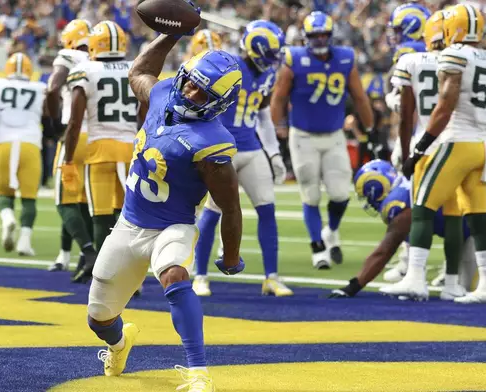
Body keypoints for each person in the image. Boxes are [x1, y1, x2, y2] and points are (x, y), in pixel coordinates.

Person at [74, 25, 245, 390]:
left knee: (173, 274)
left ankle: (198, 373)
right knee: (98, 318)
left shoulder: (212, 143)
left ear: (219, 102)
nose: (191, 92)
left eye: (203, 92)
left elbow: (230, 207)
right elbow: (138, 72)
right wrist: (173, 34)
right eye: (190, 82)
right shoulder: (165, 92)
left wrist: (231, 257)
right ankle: (120, 343)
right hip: (128, 224)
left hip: (173, 226)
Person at [382, 4, 486, 304]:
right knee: (476, 218)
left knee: (422, 208)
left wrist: (419, 148)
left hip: (456, 142)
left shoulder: (453, 55)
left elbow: (445, 105)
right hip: (483, 145)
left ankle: (415, 278)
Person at [193, 20, 292, 297]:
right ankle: (200, 275)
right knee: (212, 213)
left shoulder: (267, 74)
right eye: (271, 53)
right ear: (256, 49)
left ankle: (271, 277)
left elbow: (262, 114)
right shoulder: (229, 66)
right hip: (223, 149)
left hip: (250, 148)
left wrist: (272, 151)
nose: (274, 60)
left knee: (267, 208)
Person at [271, 11, 374, 269]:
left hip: (334, 134)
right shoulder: (294, 59)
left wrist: (370, 126)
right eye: (314, 36)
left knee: (340, 194)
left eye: (323, 35)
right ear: (306, 37)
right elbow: (279, 97)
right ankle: (317, 246)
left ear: (331, 36)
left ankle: (331, 231)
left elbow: (360, 96)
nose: (318, 40)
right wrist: (279, 125)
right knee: (311, 194)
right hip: (303, 135)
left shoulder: (345, 58)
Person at [329, 160, 486, 300]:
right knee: (466, 282)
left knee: (477, 284)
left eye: (366, 195)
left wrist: (354, 286)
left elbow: (385, 250)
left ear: (376, 188)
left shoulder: (398, 202)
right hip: (472, 224)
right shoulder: (405, 189)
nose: (368, 202)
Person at [383, 10, 468, 298]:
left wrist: (408, 152)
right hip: (458, 141)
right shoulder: (466, 59)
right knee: (456, 214)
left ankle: (414, 275)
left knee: (419, 212)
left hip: (426, 143)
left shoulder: (411, 60)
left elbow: (406, 116)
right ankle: (453, 282)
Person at [61, 20, 139, 283]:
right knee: (128, 214)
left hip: (100, 149)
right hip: (131, 148)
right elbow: (146, 110)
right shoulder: (135, 68)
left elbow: (74, 122)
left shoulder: (85, 69)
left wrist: (69, 158)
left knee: (100, 215)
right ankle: (131, 275)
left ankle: (105, 276)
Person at [0, 52, 52, 256]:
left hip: (4, 144)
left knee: (4, 195)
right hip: (30, 145)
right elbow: (50, 119)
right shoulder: (39, 88)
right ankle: (25, 241)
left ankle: (8, 219)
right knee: (29, 198)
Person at [45, 19, 95, 275]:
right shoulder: (101, 59)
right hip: (103, 139)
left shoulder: (67, 55)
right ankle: (77, 255)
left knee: (64, 201)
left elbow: (52, 89)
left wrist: (53, 125)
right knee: (88, 203)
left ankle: (89, 252)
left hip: (76, 135)